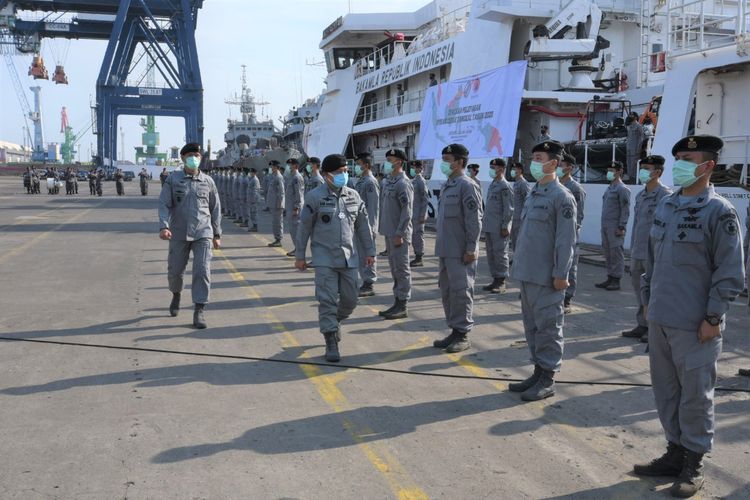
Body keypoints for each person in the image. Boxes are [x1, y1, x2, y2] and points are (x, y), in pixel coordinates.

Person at [635, 135, 745, 498]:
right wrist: (647, 301)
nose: (680, 163)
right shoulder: (666, 205)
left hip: (696, 322)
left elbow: (729, 272)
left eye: (688, 158)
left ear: (708, 166)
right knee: (666, 391)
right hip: (661, 317)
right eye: (678, 157)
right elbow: (652, 260)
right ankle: (674, 451)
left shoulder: (720, 212)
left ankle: (694, 461)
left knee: (696, 395)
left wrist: (713, 318)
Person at [509, 140, 577, 401]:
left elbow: (566, 240)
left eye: (539, 158)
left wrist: (562, 274)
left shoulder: (562, 197)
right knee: (532, 326)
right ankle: (538, 371)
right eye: (533, 157)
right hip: (528, 272)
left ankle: (548, 377)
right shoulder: (534, 192)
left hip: (549, 277)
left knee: (549, 327)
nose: (534, 163)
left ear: (554, 163)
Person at [295, 154, 375, 362]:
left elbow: (363, 228)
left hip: (349, 258)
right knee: (327, 300)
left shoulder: (354, 196)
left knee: (350, 300)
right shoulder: (314, 197)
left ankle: (334, 321)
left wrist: (370, 252)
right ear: (326, 175)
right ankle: (331, 339)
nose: (344, 175)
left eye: (346, 172)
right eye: (339, 173)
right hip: (324, 258)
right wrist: (300, 255)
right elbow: (304, 228)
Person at [158, 143, 222, 329]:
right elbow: (164, 204)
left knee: (202, 271)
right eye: (191, 155)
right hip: (178, 232)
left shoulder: (208, 181)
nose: (195, 158)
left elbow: (215, 208)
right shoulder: (173, 179)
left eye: (197, 155)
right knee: (175, 271)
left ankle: (199, 309)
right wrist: (164, 226)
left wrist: (217, 234)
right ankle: (176, 294)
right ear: (183, 158)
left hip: (203, 232)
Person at [432, 144, 483, 353]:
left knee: (462, 292)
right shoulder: (447, 185)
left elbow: (475, 220)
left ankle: (463, 334)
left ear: (460, 162)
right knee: (448, 292)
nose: (444, 163)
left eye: (447, 159)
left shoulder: (467, 185)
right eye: (442, 159)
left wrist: (472, 248)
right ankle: (454, 329)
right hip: (445, 248)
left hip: (461, 251)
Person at [621, 155, 671, 341]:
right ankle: (642, 324)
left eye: (647, 168)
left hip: (655, 253)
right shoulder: (641, 195)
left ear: (657, 172)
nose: (643, 171)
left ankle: (655, 329)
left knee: (655, 292)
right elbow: (637, 225)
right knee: (639, 291)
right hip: (638, 251)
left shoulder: (666, 196)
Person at [378, 148, 414, 320]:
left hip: (399, 234)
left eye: (390, 159)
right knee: (394, 269)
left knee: (401, 269)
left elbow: (407, 211)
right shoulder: (388, 182)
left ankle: (402, 304)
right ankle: (397, 301)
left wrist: (400, 233)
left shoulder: (403, 183)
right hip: (389, 233)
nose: (387, 162)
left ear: (399, 162)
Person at [595, 160, 630, 291]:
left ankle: (616, 279)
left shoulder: (622, 189)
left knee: (616, 253)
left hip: (615, 226)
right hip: (606, 225)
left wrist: (621, 226)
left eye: (612, 170)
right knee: (608, 252)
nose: (609, 173)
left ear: (620, 172)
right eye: (608, 170)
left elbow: (625, 209)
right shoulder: (610, 188)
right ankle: (610, 276)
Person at [558, 153, 587, 313]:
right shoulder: (554, 185)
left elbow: (579, 216)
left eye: (562, 165)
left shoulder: (575, 189)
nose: (559, 167)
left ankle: (567, 298)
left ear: (570, 168)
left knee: (570, 266)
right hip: (555, 232)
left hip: (570, 233)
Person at [481, 158, 513, 294]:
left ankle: (502, 281)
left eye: (493, 167)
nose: (491, 169)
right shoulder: (494, 184)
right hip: (490, 225)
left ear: (501, 169)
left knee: (500, 253)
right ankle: (495, 278)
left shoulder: (505, 186)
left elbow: (509, 208)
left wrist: (505, 225)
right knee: (491, 253)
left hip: (500, 227)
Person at [354, 153, 380, 297]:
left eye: (359, 164)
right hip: (359, 224)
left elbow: (373, 207)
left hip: (367, 225)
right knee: (361, 254)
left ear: (366, 165)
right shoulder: (361, 181)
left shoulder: (370, 182)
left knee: (368, 254)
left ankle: (369, 282)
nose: (357, 166)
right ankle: (364, 279)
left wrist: (371, 227)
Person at [409, 160, 429, 267]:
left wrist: (423, 214)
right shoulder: (414, 180)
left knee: (418, 235)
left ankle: (419, 257)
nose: (413, 169)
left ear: (420, 169)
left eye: (415, 167)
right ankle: (416, 255)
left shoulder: (421, 181)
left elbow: (425, 198)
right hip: (413, 212)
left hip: (419, 213)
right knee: (414, 235)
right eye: (412, 167)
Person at [285, 158, 305, 256]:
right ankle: (297, 249)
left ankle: (299, 250)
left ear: (295, 166)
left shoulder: (297, 177)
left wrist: (296, 208)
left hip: (294, 209)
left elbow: (299, 194)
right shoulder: (292, 177)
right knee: (293, 230)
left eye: (290, 165)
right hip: (290, 207)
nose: (289, 167)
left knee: (296, 230)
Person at [510, 161, 531, 252]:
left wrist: (524, 216)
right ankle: (515, 257)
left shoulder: (523, 183)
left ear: (520, 170)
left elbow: (528, 200)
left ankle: (518, 259)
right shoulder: (516, 183)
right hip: (514, 217)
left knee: (519, 239)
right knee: (514, 239)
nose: (512, 171)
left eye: (514, 169)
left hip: (520, 218)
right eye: (512, 169)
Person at [266, 160, 285, 247]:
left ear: (277, 167)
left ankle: (279, 240)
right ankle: (276, 238)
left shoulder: (278, 177)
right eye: (271, 166)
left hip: (277, 204)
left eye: (273, 166)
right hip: (274, 203)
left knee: (278, 222)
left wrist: (280, 203)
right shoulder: (273, 176)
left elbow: (281, 192)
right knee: (275, 222)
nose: (271, 168)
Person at [626, 113, 645, 180]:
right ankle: (629, 176)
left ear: (635, 118)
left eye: (632, 116)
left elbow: (641, 139)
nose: (630, 117)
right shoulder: (630, 126)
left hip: (635, 148)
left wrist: (638, 149)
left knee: (634, 163)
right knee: (628, 162)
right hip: (629, 148)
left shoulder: (638, 126)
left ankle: (634, 177)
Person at [246, 167, 260, 232]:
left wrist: (253, 200)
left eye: (252, 172)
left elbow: (255, 191)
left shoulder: (255, 180)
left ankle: (255, 226)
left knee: (254, 213)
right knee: (252, 213)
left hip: (254, 200)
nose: (251, 173)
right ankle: (254, 225)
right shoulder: (252, 179)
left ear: (254, 173)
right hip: (251, 199)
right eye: (250, 172)